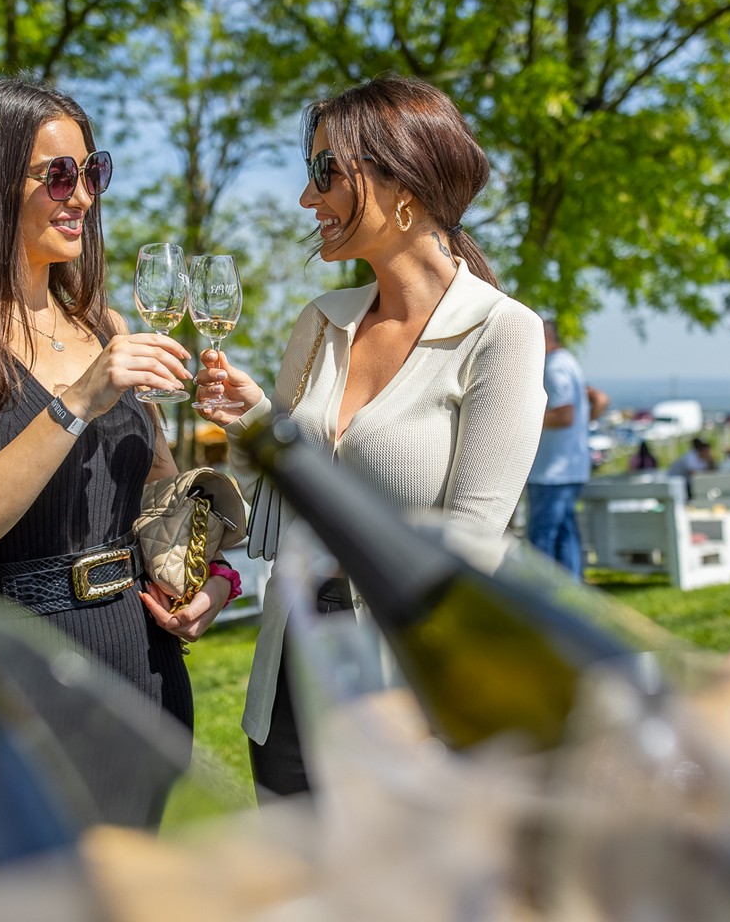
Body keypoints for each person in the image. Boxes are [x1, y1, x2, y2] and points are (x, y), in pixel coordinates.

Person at [0, 76, 236, 825]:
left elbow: (159, 498)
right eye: (60, 175)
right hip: (22, 675)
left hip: (143, 666)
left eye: (92, 171)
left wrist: (215, 579)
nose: (83, 197)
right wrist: (78, 400)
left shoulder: (104, 324)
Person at [192, 74, 547, 799]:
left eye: (326, 172)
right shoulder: (321, 321)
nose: (306, 198)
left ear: (404, 187)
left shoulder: (499, 332)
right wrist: (254, 425)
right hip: (291, 671)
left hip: (412, 692)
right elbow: (270, 504)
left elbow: (470, 551)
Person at [525, 319, 591, 576]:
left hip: (552, 470)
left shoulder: (553, 367)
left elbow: (564, 415)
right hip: (567, 467)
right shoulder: (567, 362)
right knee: (566, 534)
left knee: (542, 537)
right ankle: (570, 595)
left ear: (544, 337)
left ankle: (541, 597)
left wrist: (522, 417)